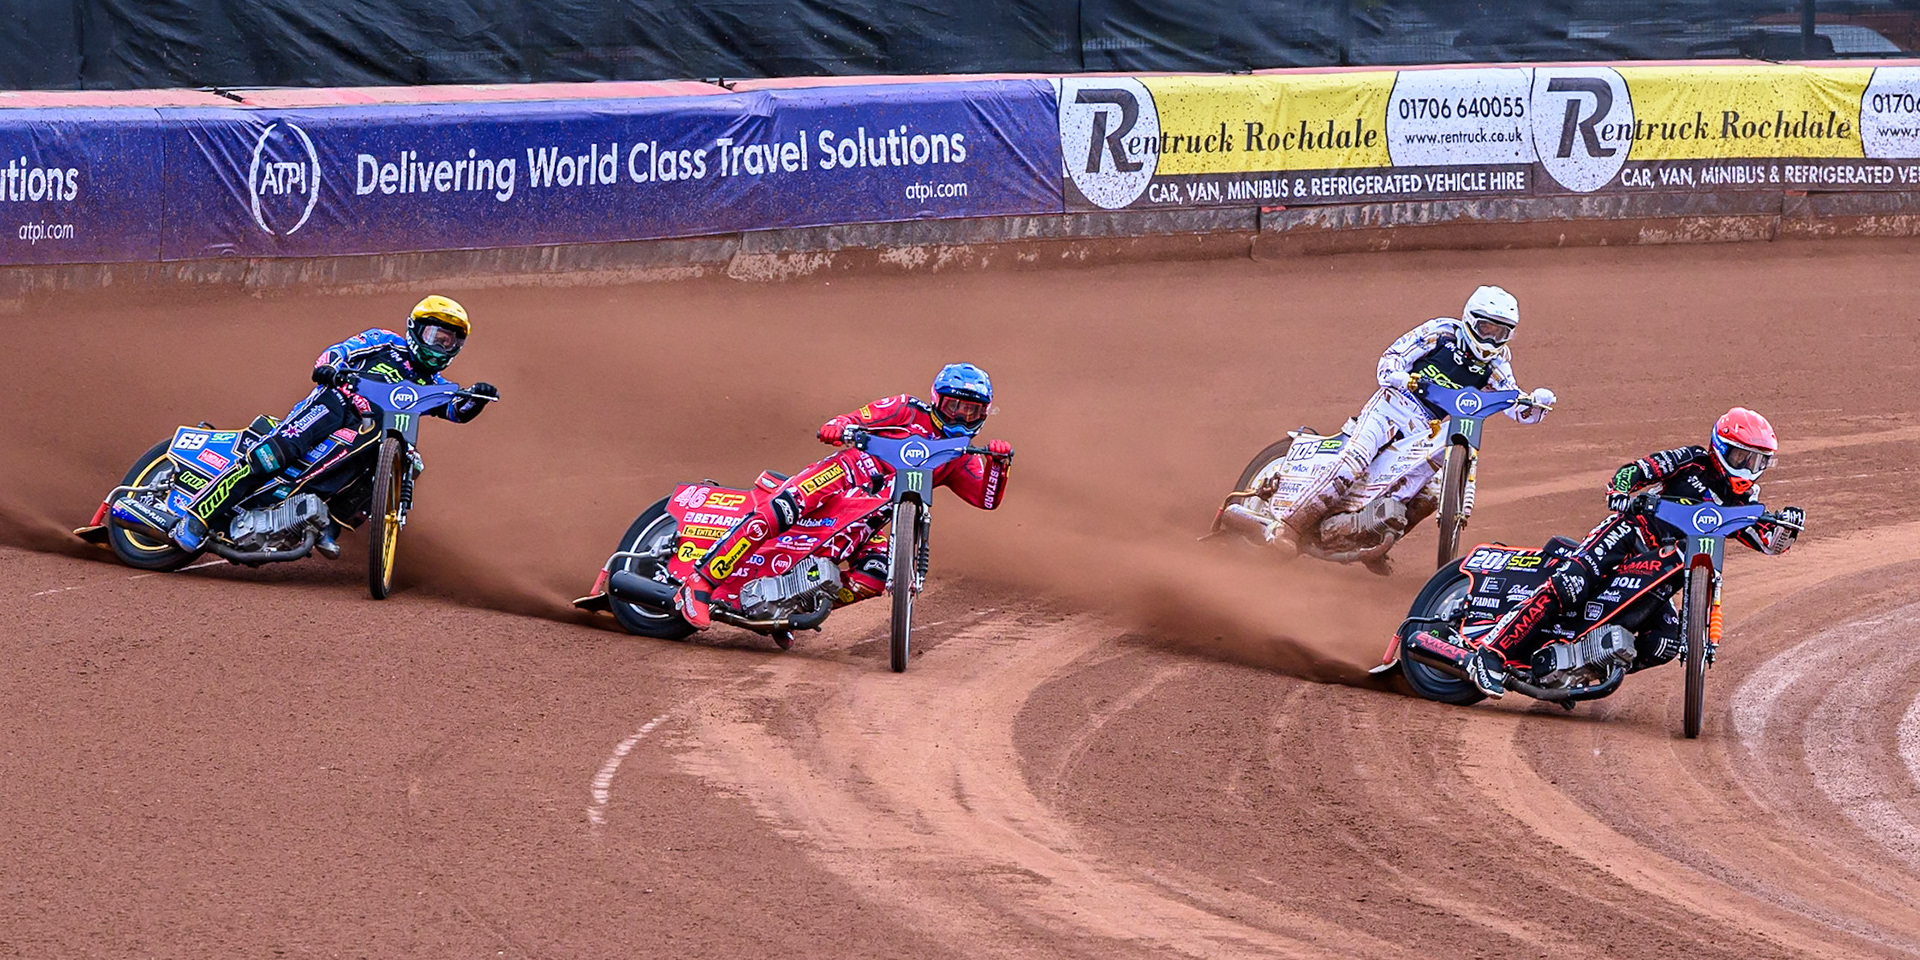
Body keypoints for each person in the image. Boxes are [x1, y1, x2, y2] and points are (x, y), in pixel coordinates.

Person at [1463, 407, 1805, 697]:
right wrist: (1620, 491)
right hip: (1629, 535)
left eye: (1757, 460)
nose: (1748, 467)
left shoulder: (1742, 504)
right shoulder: (1692, 460)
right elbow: (1636, 470)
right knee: (1571, 585)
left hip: (1661, 570)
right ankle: (1489, 655)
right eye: (1741, 456)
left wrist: (1787, 527)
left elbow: (1769, 542)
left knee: (1665, 642)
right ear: (1721, 447)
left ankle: (1581, 667)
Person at [673, 362, 1014, 629]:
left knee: (876, 574)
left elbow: (986, 500)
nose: (961, 417)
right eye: (955, 406)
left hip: (866, 519)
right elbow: (856, 418)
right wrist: (837, 426)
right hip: (841, 476)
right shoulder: (905, 408)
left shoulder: (960, 456)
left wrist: (998, 464)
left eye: (972, 411)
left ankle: (787, 608)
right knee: (783, 508)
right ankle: (700, 582)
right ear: (938, 400)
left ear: (984, 414)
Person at [167, 295, 498, 554]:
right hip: (335, 404)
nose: (440, 346)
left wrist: (478, 398)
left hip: (368, 433)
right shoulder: (384, 341)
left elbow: (456, 410)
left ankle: (329, 525)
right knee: (274, 454)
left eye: (448, 342)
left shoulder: (436, 386)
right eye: (435, 336)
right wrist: (330, 368)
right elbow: (338, 351)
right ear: (415, 330)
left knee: (409, 463)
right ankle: (196, 518)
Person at [1272, 285, 1557, 561]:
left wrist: (1536, 403)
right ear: (1471, 320)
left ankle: (1371, 539)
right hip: (1391, 407)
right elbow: (1389, 362)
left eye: (1500, 333)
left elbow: (1514, 405)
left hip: (1426, 429)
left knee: (1432, 492)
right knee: (1354, 460)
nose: (1491, 340)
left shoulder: (1497, 363)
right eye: (1486, 329)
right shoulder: (1441, 332)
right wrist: (1402, 378)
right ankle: (1289, 528)